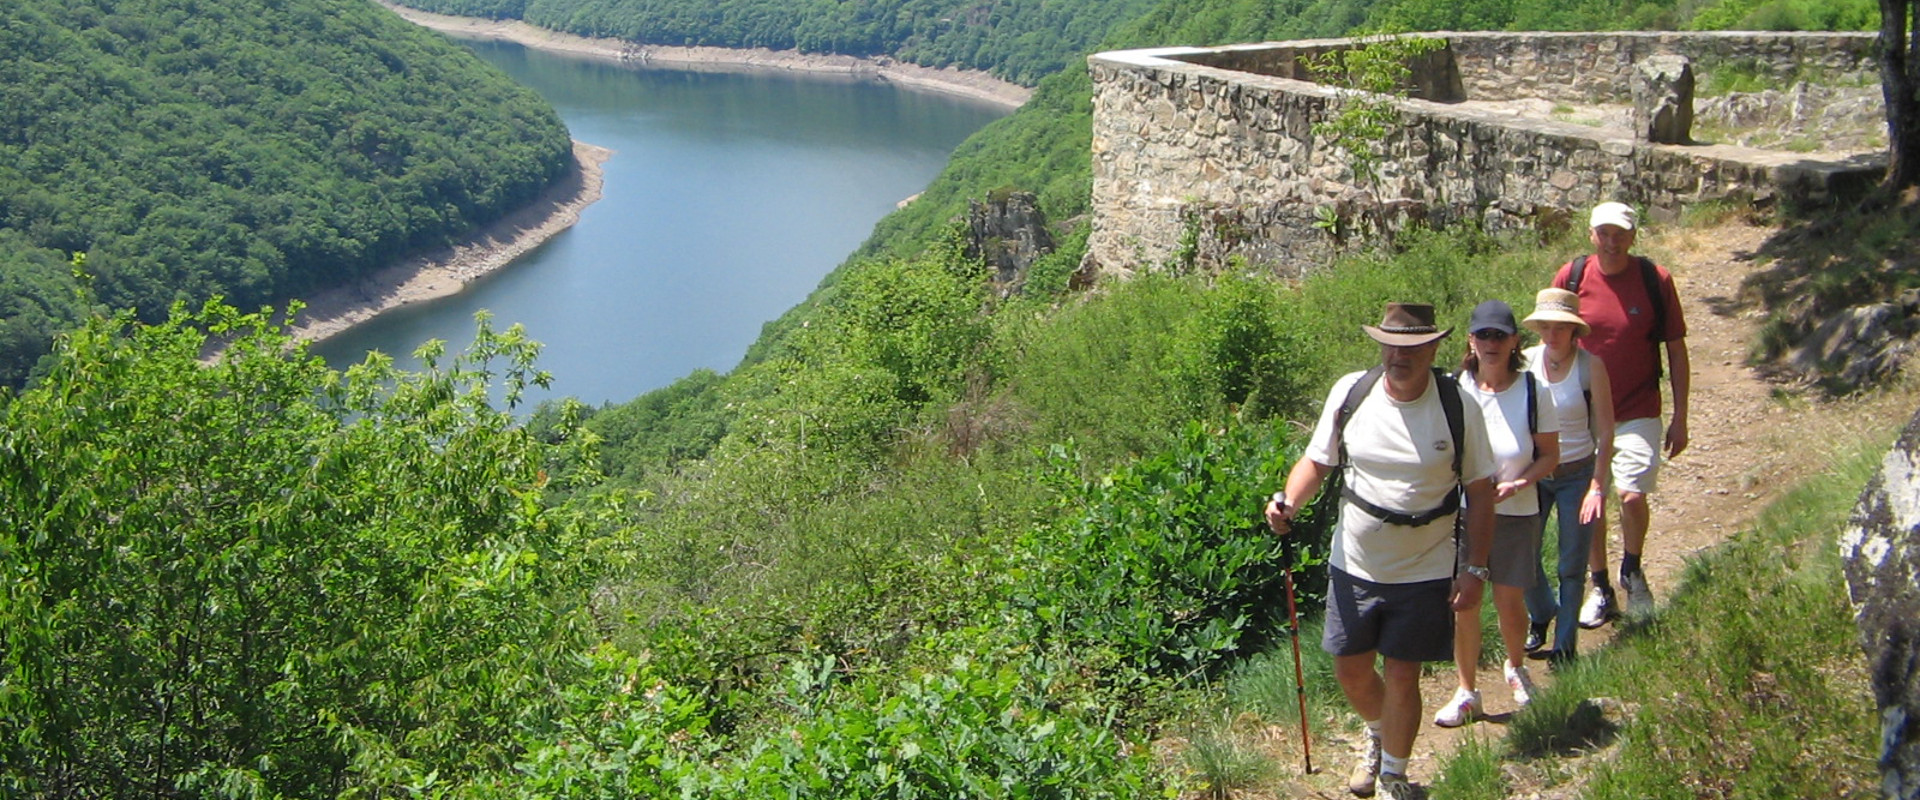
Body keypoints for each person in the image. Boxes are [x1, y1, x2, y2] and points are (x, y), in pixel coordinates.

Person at [1266, 302, 1496, 799]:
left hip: (1427, 565)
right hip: (1354, 561)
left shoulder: (1459, 407)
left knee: (1401, 673)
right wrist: (1289, 502)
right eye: (1391, 344)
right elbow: (1317, 461)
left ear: (1433, 348)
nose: (1399, 355)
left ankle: (1394, 773)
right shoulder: (1353, 393)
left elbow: (1481, 491)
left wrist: (1474, 569)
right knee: (1349, 668)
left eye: (1412, 346)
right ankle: (1377, 732)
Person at [1552, 202, 1689, 625]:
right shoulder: (1572, 278)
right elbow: (1552, 338)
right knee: (1591, 501)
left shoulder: (1654, 279)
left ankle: (1633, 571)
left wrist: (1681, 415)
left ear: (1633, 236)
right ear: (1592, 235)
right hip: (1583, 414)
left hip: (1637, 408)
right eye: (1604, 234)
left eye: (1620, 234)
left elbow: (1676, 348)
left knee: (1631, 493)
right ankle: (1601, 586)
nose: (1612, 242)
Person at [1433, 301, 1559, 728]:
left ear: (1514, 342)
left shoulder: (1532, 391)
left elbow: (1549, 456)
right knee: (1464, 602)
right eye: (1483, 335)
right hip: (1463, 513)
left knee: (1509, 598)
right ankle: (1467, 691)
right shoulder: (1453, 389)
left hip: (1517, 510)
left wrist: (1519, 484)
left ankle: (1516, 667)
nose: (1491, 343)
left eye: (1499, 336)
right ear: (1470, 340)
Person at [1519, 288, 1616, 663]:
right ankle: (1542, 612)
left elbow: (1605, 430)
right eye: (1545, 326)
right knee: (1524, 555)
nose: (1551, 334)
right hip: (1536, 469)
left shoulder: (1591, 368)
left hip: (1578, 470)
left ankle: (1564, 646)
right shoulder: (1526, 363)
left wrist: (1597, 485)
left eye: (1559, 327)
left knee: (1571, 563)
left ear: (1574, 331)